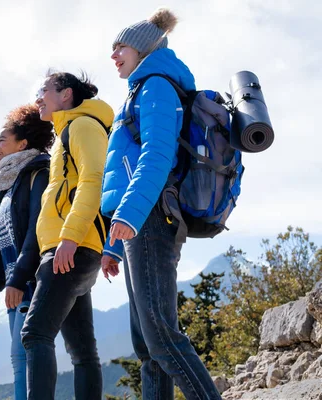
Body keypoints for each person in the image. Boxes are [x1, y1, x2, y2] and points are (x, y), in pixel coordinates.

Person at [100, 8, 223, 400]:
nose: (114, 55)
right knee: (148, 348)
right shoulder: (141, 90)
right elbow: (127, 170)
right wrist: (113, 246)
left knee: (162, 338)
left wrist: (130, 218)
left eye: (121, 47)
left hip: (152, 217)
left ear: (142, 48)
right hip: (140, 221)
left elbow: (156, 157)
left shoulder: (156, 85)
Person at [20, 71, 114, 400]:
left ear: (65, 95)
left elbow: (93, 181)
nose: (37, 97)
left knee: (35, 334)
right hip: (72, 246)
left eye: (43, 89)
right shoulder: (65, 134)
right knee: (83, 352)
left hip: (71, 247)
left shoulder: (83, 126)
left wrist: (70, 237)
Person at [0, 104, 54, 400]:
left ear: (22, 144)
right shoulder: (4, 190)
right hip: (13, 291)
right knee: (19, 362)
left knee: (25, 359)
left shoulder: (38, 176)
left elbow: (37, 231)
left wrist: (18, 280)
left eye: (1, 140)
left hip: (31, 287)